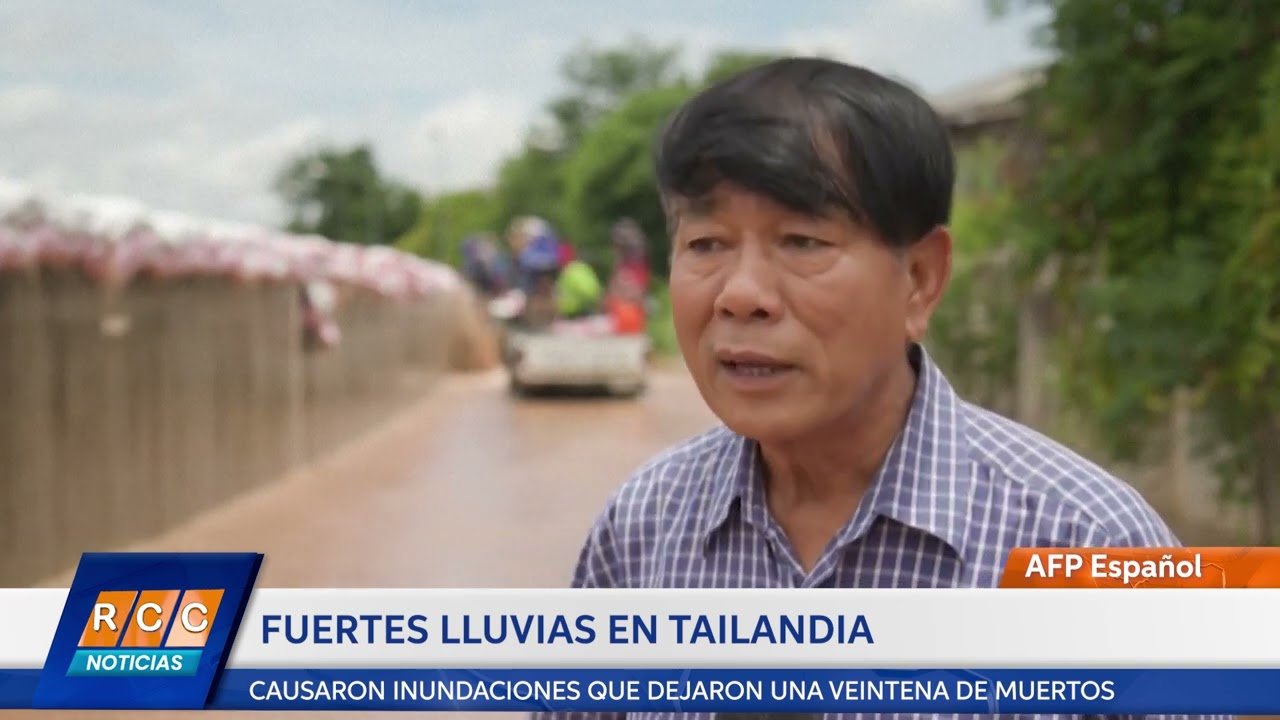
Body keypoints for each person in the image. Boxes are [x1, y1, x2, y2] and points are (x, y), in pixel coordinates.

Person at [537, 58, 1224, 720]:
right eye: (707, 244)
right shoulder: (642, 529)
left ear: (921, 278)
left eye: (802, 242)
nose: (741, 295)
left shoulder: (1093, 547)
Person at [554, 241, 603, 319]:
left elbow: (588, 291)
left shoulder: (572, 270)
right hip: (578, 311)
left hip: (578, 313)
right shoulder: (581, 267)